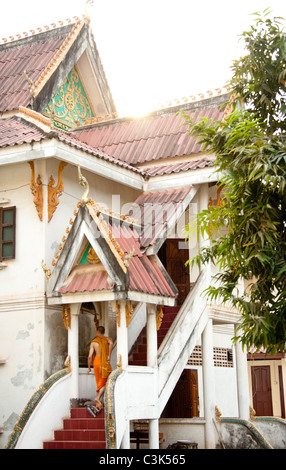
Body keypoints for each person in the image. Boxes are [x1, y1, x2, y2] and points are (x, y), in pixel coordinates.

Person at [87, 326, 113, 411]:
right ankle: (98, 398)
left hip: (96, 362)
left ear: (97, 331)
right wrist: (109, 355)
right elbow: (112, 343)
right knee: (105, 381)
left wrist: (89, 367)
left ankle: (98, 404)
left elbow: (90, 356)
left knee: (99, 382)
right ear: (104, 332)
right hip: (104, 361)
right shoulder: (107, 339)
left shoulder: (94, 342)